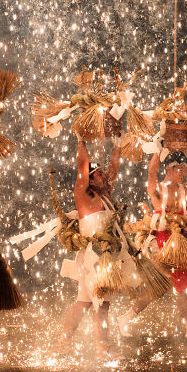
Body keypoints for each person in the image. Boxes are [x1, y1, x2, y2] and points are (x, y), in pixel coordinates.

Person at [118, 150, 187, 339]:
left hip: (180, 242)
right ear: (168, 169)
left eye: (186, 169)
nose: (184, 173)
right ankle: (125, 318)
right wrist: (158, 148)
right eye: (180, 169)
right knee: (155, 289)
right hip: (161, 243)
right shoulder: (158, 189)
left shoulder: (185, 189)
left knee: (180, 287)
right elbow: (151, 172)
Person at [60, 134, 125, 360]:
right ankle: (102, 349)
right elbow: (82, 166)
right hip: (94, 258)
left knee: (84, 303)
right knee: (102, 305)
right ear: (89, 179)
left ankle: (63, 343)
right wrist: (81, 142)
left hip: (99, 257)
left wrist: (118, 146)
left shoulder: (104, 195)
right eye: (99, 174)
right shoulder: (83, 195)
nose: (104, 177)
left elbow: (114, 171)